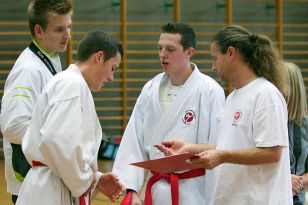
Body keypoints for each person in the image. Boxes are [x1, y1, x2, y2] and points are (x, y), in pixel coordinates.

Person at [157, 25, 293, 204]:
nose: (213, 66)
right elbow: (230, 145)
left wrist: (222, 157)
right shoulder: (233, 97)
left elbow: (272, 153)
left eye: (215, 58)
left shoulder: (265, 94)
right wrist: (191, 148)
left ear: (231, 53)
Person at [112, 22, 225, 205]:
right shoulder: (150, 89)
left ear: (189, 52)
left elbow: (221, 146)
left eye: (170, 49)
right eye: (160, 48)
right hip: (157, 188)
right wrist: (131, 189)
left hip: (196, 191)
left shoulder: (210, 90)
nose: (162, 54)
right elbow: (134, 141)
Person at [15, 31, 125, 205]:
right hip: (50, 190)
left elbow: (69, 149)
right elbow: (56, 140)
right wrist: (86, 180)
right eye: (113, 68)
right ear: (99, 57)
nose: (111, 77)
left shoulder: (74, 84)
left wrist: (96, 178)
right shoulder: (71, 84)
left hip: (54, 183)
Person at [0, 0, 72, 204]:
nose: (67, 35)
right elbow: (13, 126)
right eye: (59, 29)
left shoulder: (49, 59)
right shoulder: (28, 70)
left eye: (68, 27)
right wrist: (57, 140)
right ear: (39, 30)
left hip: (44, 175)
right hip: (29, 179)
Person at [284, 62, 308, 204]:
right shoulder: (265, 120)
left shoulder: (304, 123)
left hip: (297, 200)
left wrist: (295, 182)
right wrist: (284, 181)